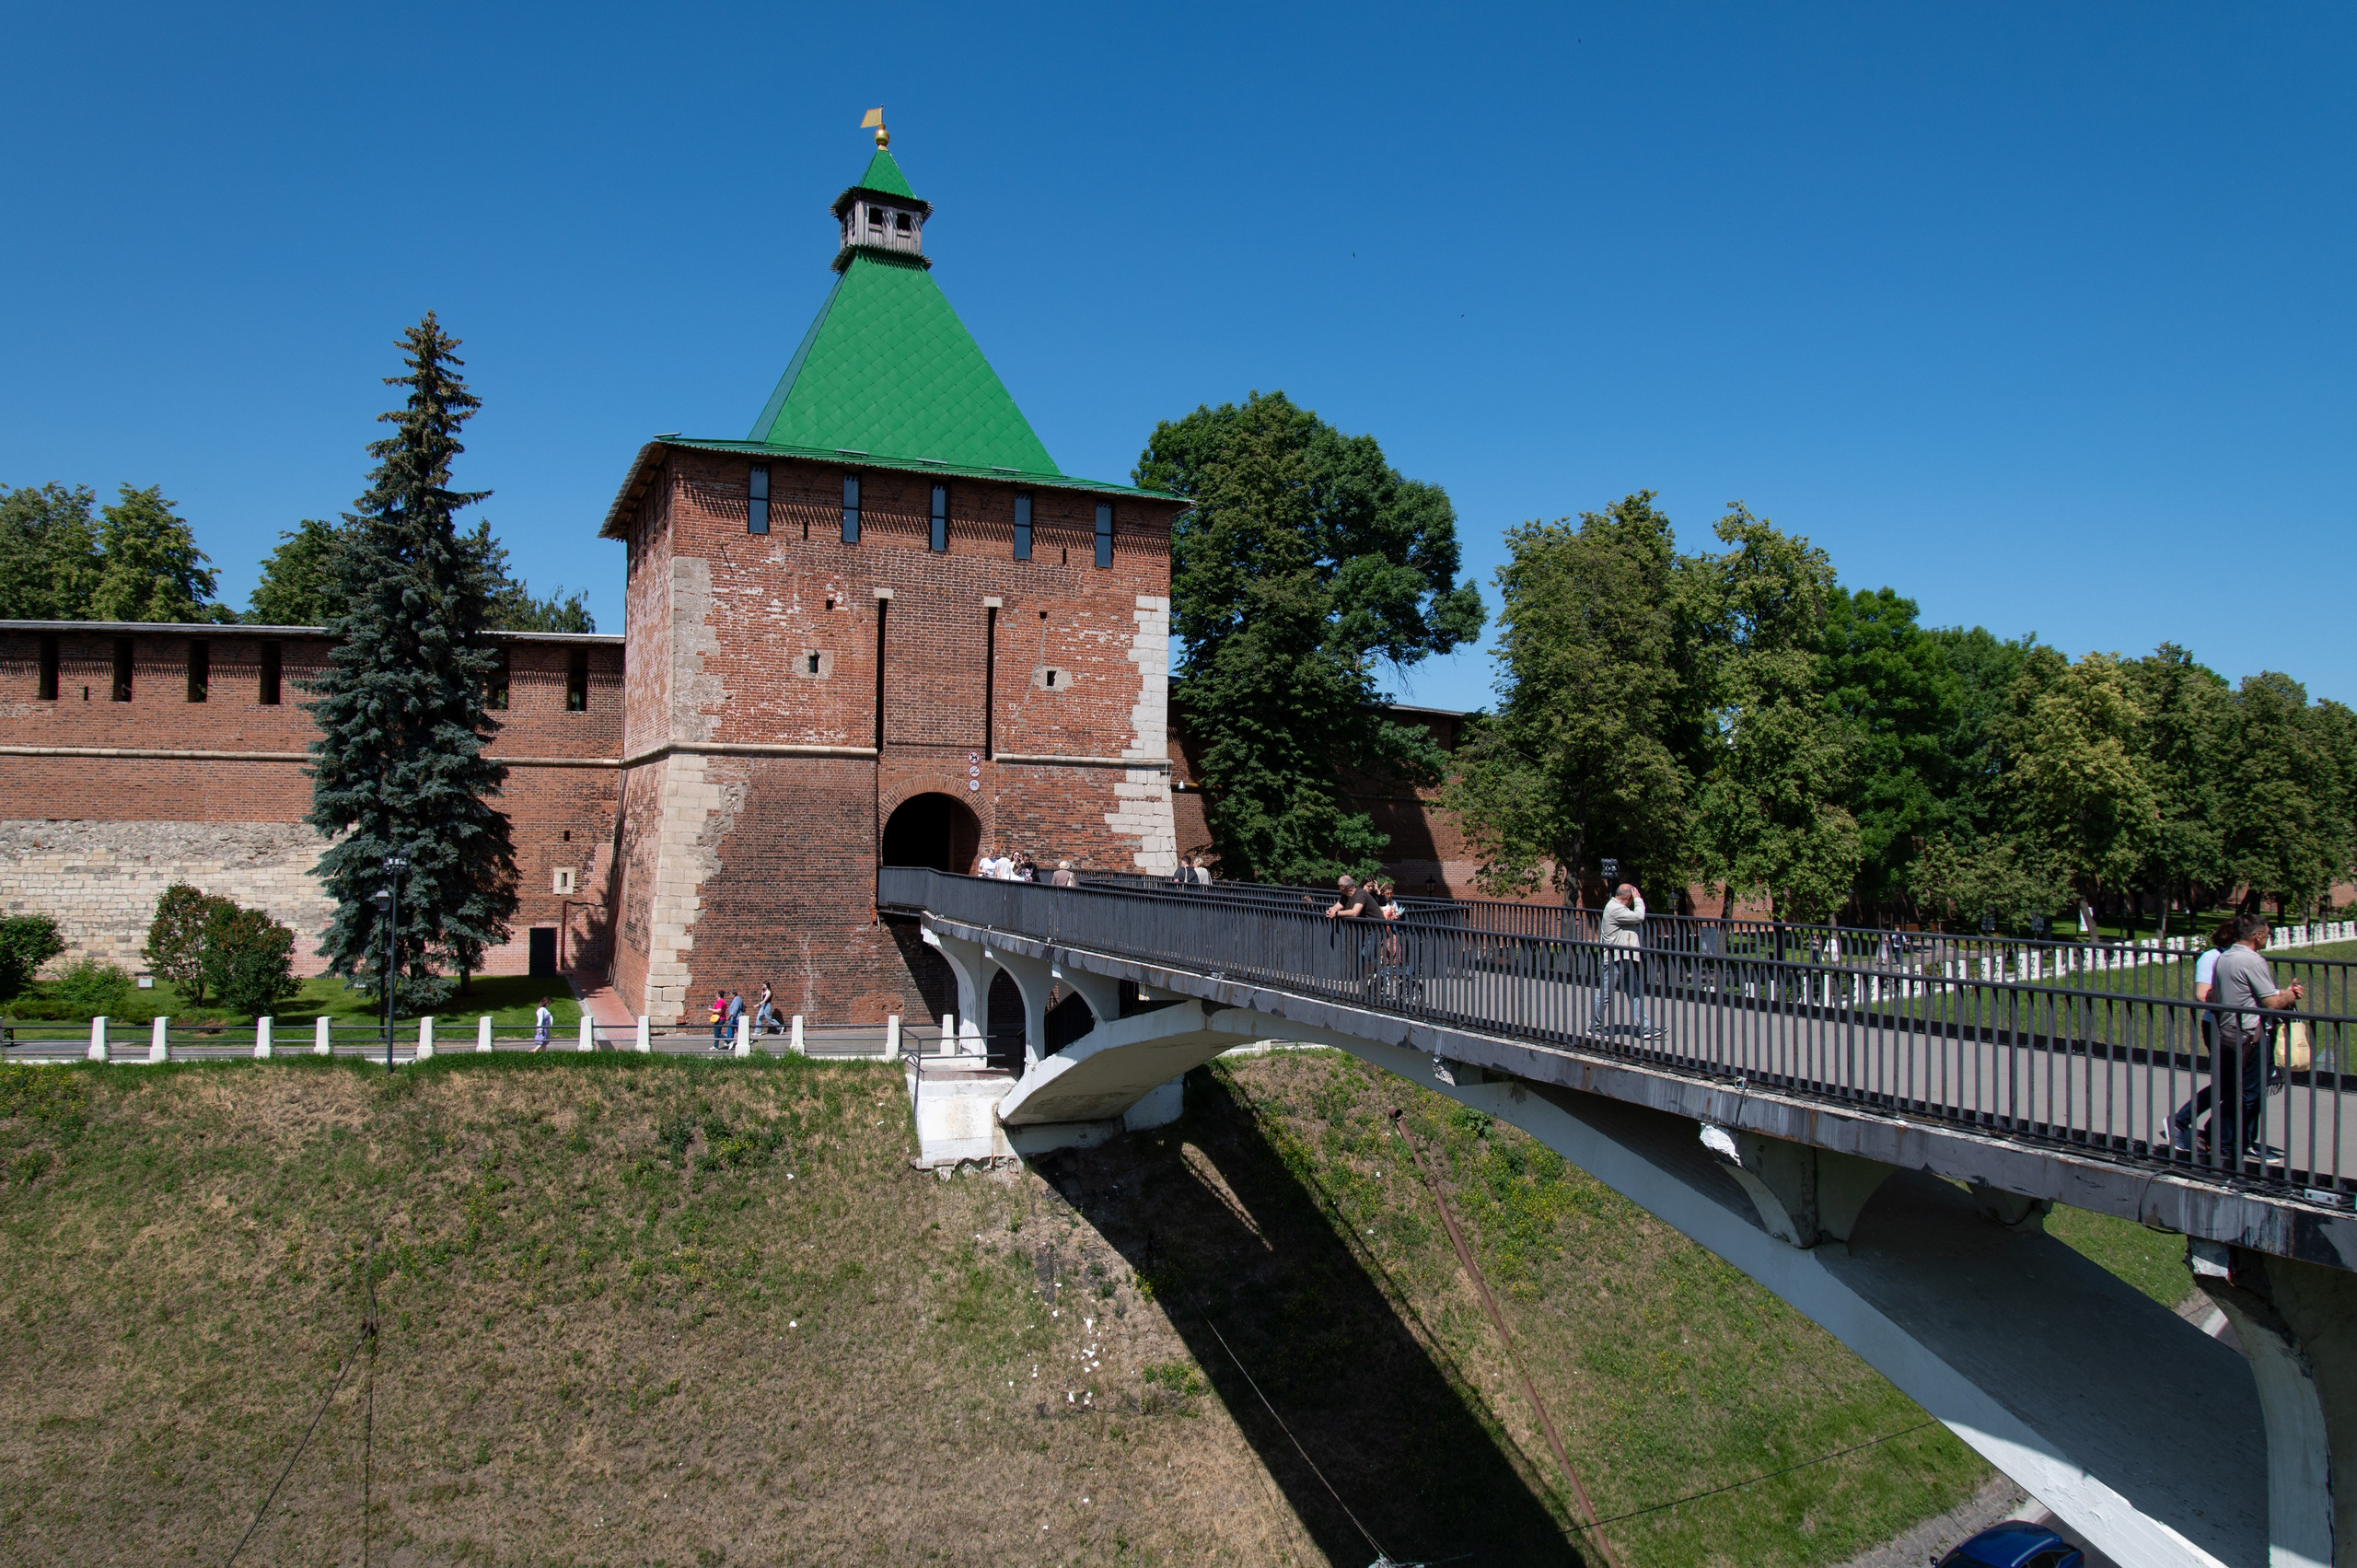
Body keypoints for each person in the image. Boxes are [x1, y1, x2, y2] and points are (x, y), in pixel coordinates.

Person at [2189, 914, 2302, 1156]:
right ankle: (2221, 1143)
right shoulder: (2253, 961)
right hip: (2253, 1034)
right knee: (2249, 1093)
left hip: (2227, 1032)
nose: (2268, 938)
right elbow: (2271, 1003)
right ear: (2257, 935)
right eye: (2268, 934)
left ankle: (2224, 1141)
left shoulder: (2224, 957)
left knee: (2237, 1090)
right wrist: (2290, 995)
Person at [2166, 919, 2241, 1151]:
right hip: (2218, 1025)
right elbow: (2202, 994)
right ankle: (2181, 1121)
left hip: (2240, 1026)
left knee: (2238, 1084)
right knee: (2228, 1083)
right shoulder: (2211, 957)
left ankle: (2232, 1136)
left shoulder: (2241, 958)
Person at [1589, 883, 1657, 1040]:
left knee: (1635, 993)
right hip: (1614, 958)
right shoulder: (1615, 908)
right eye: (1633, 898)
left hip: (1625, 957)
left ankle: (1645, 1028)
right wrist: (1639, 900)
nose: (1634, 900)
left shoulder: (1620, 908)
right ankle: (1594, 1026)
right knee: (1605, 993)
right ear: (1628, 897)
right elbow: (1639, 916)